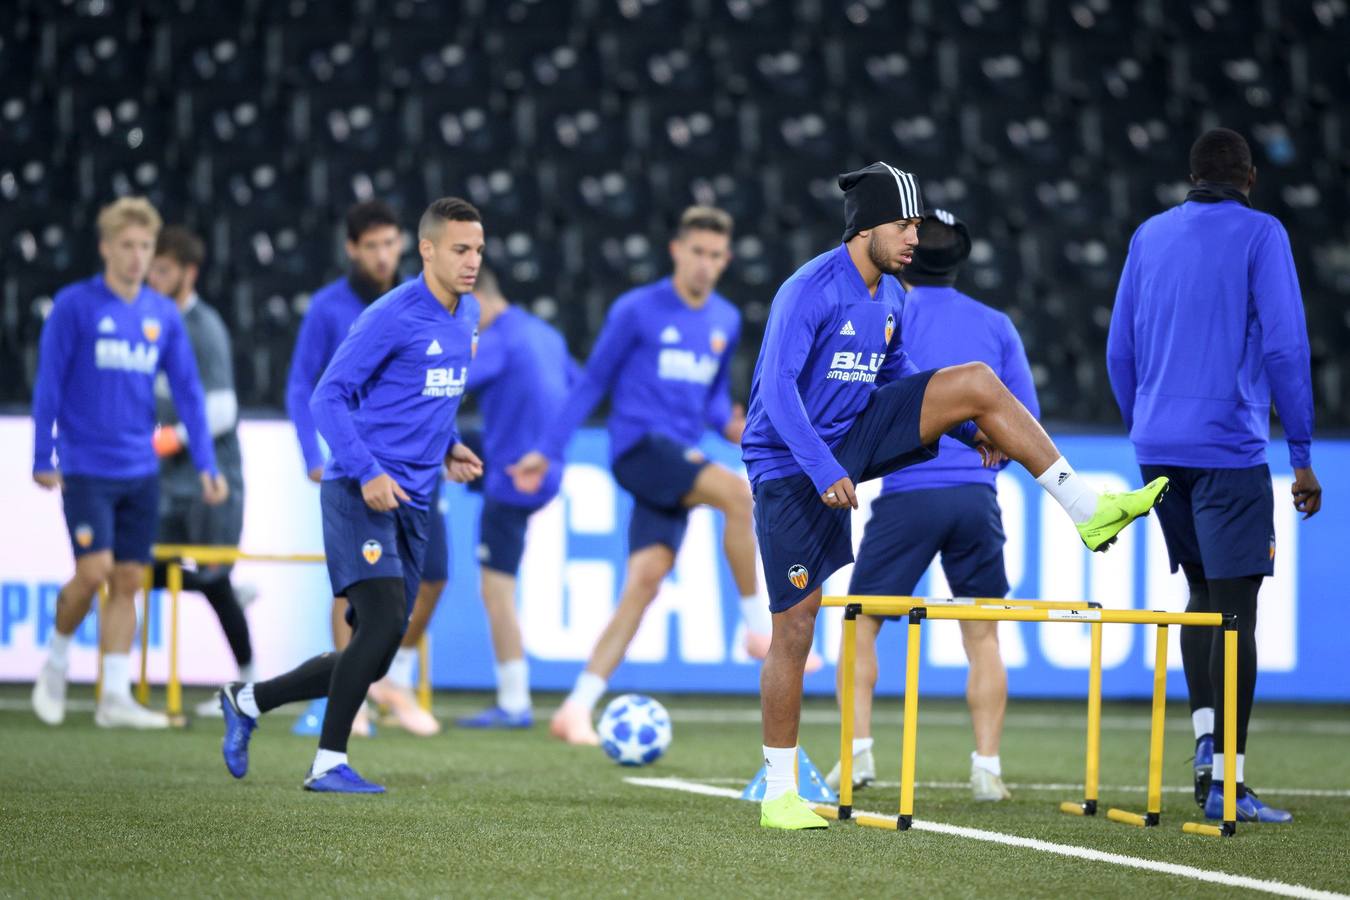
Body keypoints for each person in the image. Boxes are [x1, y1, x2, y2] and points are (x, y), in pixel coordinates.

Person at [742, 162, 1168, 830]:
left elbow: (903, 374)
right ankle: (779, 794)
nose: (915, 236)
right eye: (904, 223)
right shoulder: (809, 289)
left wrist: (967, 429)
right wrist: (823, 468)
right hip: (790, 463)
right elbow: (776, 392)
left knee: (972, 379)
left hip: (854, 432)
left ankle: (1087, 507)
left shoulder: (892, 294)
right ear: (866, 226)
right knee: (796, 628)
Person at [216, 197, 485, 793]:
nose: (472, 262)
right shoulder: (391, 314)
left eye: (479, 251)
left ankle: (249, 701)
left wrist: (449, 445)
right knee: (385, 621)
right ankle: (328, 762)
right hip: (358, 490)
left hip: (413, 498)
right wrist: (364, 471)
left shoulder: (469, 316)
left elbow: (431, 399)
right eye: (460, 250)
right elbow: (324, 398)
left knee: (379, 647)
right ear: (428, 249)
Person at [510, 205, 799, 746]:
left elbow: (712, 400)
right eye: (697, 252)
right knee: (739, 496)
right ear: (676, 251)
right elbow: (592, 383)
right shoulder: (636, 310)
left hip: (677, 460)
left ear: (726, 259)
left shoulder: (726, 320)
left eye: (716, 256)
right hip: (640, 448)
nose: (706, 264)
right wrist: (546, 451)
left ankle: (576, 707)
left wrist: (731, 425)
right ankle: (756, 628)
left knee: (643, 583)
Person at [1107, 128, 1321, 825]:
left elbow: (1120, 349)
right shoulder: (1262, 235)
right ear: (1250, 178)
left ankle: (1205, 744)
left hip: (1157, 444)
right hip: (1228, 447)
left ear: (1192, 176)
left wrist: (1146, 421)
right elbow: (1287, 346)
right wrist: (1302, 457)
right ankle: (1229, 780)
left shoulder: (1148, 235)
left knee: (1199, 594)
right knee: (1236, 613)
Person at [824, 208, 1038, 803]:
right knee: (983, 634)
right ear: (963, 258)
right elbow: (1027, 422)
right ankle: (987, 769)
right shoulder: (995, 324)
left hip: (907, 498)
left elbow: (859, 395)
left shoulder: (889, 311)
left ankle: (857, 754)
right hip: (975, 497)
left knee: (860, 623)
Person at [30, 197, 228, 729]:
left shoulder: (162, 314)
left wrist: (206, 462)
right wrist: (41, 453)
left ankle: (113, 697)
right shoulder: (74, 306)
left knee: (128, 579)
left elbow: (189, 392)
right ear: (105, 248)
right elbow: (48, 383)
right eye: (129, 246)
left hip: (140, 469)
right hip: (86, 465)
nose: (138, 257)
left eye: (146, 246)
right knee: (92, 573)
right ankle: (55, 659)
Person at [285, 199, 442, 736]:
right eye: (371, 245)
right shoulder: (329, 308)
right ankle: (349, 701)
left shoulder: (426, 300)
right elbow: (304, 384)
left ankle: (379, 679)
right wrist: (314, 454)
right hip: (360, 463)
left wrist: (451, 442)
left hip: (419, 470)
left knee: (432, 578)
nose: (382, 254)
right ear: (351, 249)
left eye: (389, 242)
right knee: (355, 590)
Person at [455, 268, 575, 728]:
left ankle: (513, 700)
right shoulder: (545, 333)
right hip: (546, 468)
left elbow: (450, 383)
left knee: (496, 588)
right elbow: (579, 389)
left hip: (513, 476)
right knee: (463, 443)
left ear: (477, 300)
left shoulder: (497, 338)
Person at [146, 226, 255, 718]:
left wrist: (174, 437)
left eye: (163, 269)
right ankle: (230, 590)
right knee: (140, 571)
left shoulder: (204, 326)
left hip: (214, 477)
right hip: (168, 481)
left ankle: (249, 686)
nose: (151, 276)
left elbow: (224, 409)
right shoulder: (149, 319)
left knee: (211, 578)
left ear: (188, 273)